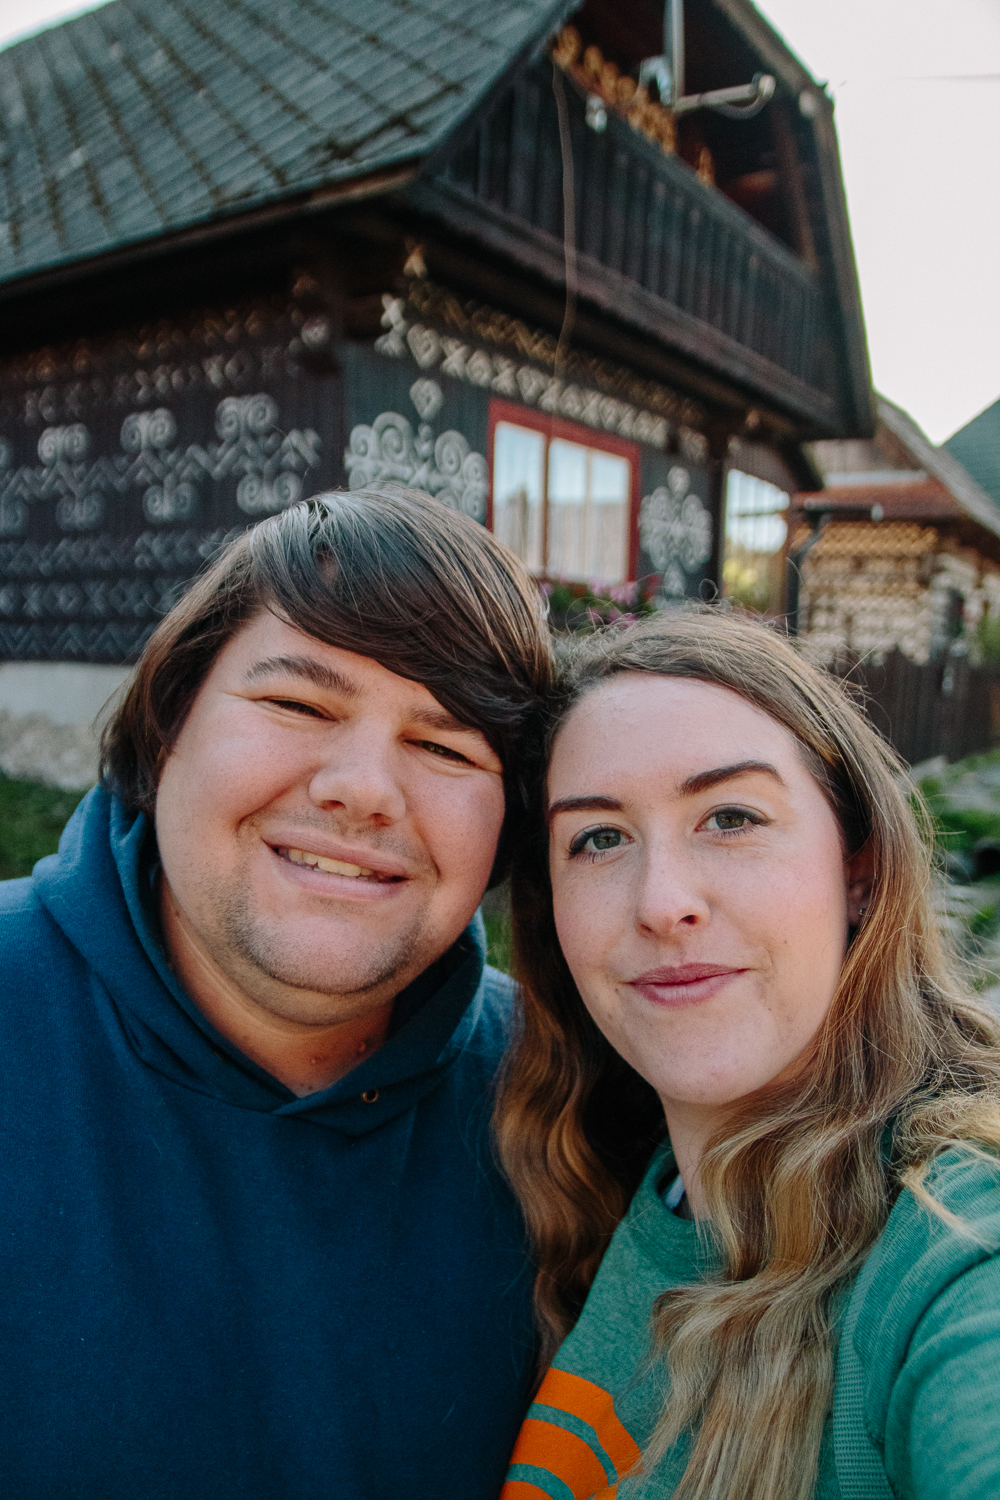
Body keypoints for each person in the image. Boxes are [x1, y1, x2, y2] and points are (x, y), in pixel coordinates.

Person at [0, 486, 553, 1500]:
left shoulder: (568, 1110)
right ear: (168, 730)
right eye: (299, 704)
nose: (363, 788)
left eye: (442, 747)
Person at [496, 609, 1000, 1500]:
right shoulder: (621, 1189)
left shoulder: (953, 1241)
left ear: (861, 869)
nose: (662, 902)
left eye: (730, 817)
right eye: (599, 837)